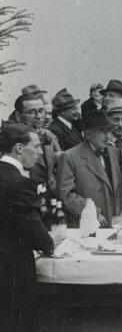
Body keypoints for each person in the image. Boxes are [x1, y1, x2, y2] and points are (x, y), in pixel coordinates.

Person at [0, 124, 61, 332]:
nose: (39, 152)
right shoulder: (21, 183)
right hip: (12, 269)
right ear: (18, 148)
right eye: (35, 146)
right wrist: (51, 243)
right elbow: (37, 236)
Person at [57, 111, 122, 227]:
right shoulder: (70, 156)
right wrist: (92, 213)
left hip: (115, 224)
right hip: (88, 225)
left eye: (108, 131)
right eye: (102, 131)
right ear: (88, 134)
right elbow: (66, 195)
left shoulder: (114, 152)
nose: (107, 136)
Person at [13, 94, 62, 197]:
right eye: (31, 112)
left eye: (41, 111)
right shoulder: (12, 142)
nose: (39, 116)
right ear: (18, 116)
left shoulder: (48, 135)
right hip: (27, 200)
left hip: (53, 198)